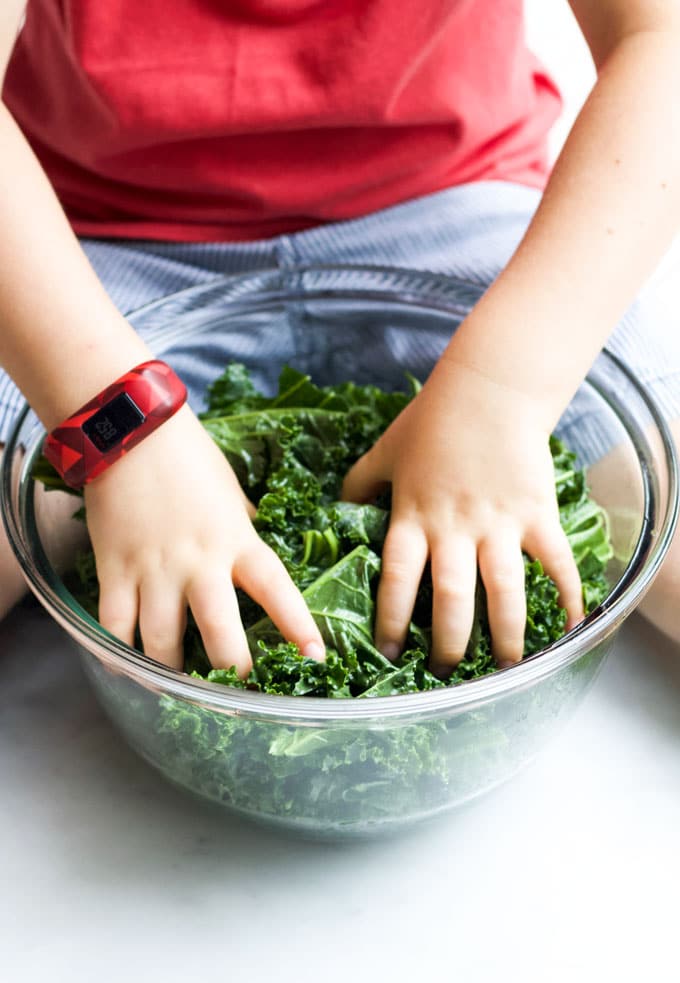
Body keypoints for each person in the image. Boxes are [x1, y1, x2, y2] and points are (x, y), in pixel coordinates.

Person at [0, 0, 679, 679]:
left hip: (459, 215)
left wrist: (504, 392)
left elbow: (660, 37)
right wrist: (119, 428)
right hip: (85, 254)